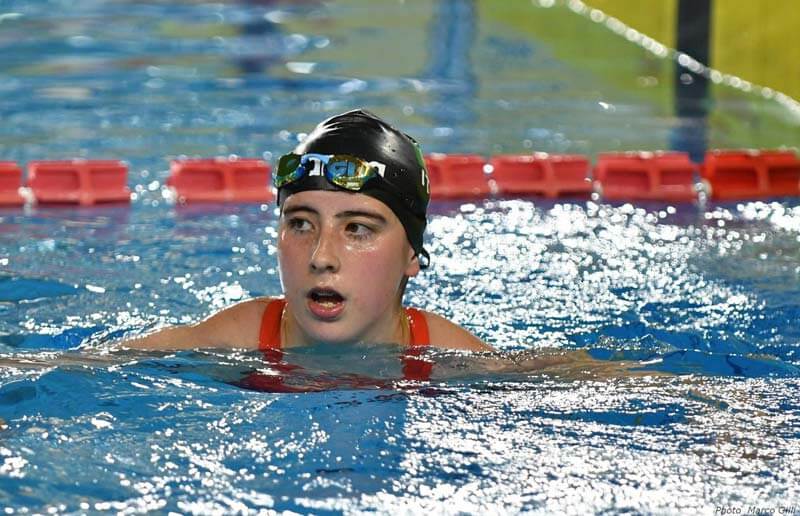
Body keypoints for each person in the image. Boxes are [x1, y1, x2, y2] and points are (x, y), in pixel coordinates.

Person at [124, 109, 493, 353]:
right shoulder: (233, 342)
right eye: (300, 224)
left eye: (357, 228)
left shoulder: (452, 360)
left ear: (411, 253)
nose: (321, 257)